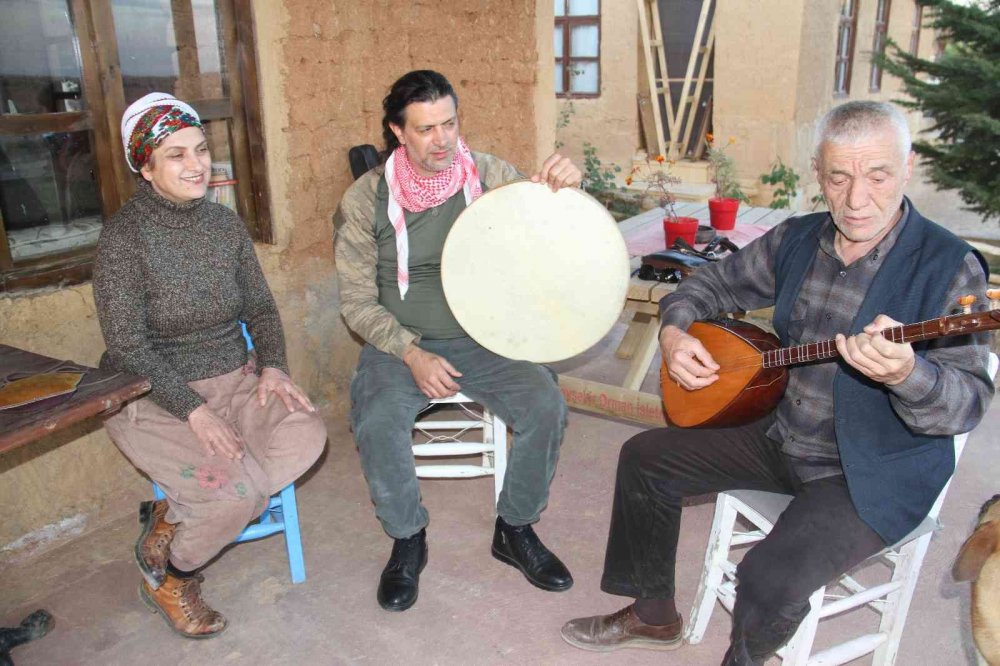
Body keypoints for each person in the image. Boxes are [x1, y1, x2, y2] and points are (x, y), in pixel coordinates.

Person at [561, 100, 995, 663]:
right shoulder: (798, 238)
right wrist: (673, 332)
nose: (856, 200)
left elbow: (966, 404)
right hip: (784, 432)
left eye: (878, 176)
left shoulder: (949, 267)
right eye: (838, 177)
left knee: (767, 579)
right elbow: (708, 286)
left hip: (872, 471)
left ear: (907, 167)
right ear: (818, 172)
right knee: (645, 459)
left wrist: (909, 374)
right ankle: (653, 614)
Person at [333, 70, 582, 612]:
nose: (442, 139)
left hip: (483, 335)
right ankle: (408, 537)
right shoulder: (366, 199)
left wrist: (569, 186)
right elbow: (356, 302)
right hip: (399, 343)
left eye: (449, 124)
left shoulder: (488, 175)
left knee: (544, 404)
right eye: (426, 129)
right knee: (377, 420)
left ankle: (514, 528)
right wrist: (411, 352)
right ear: (398, 132)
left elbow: (550, 225)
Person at [94, 92, 327, 639]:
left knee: (308, 434)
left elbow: (260, 309)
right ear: (145, 167)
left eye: (200, 149)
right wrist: (194, 412)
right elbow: (126, 345)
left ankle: (178, 513)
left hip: (235, 379)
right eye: (176, 155)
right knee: (237, 496)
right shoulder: (123, 239)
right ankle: (172, 577)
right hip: (152, 394)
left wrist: (273, 367)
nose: (197, 164)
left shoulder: (224, 226)